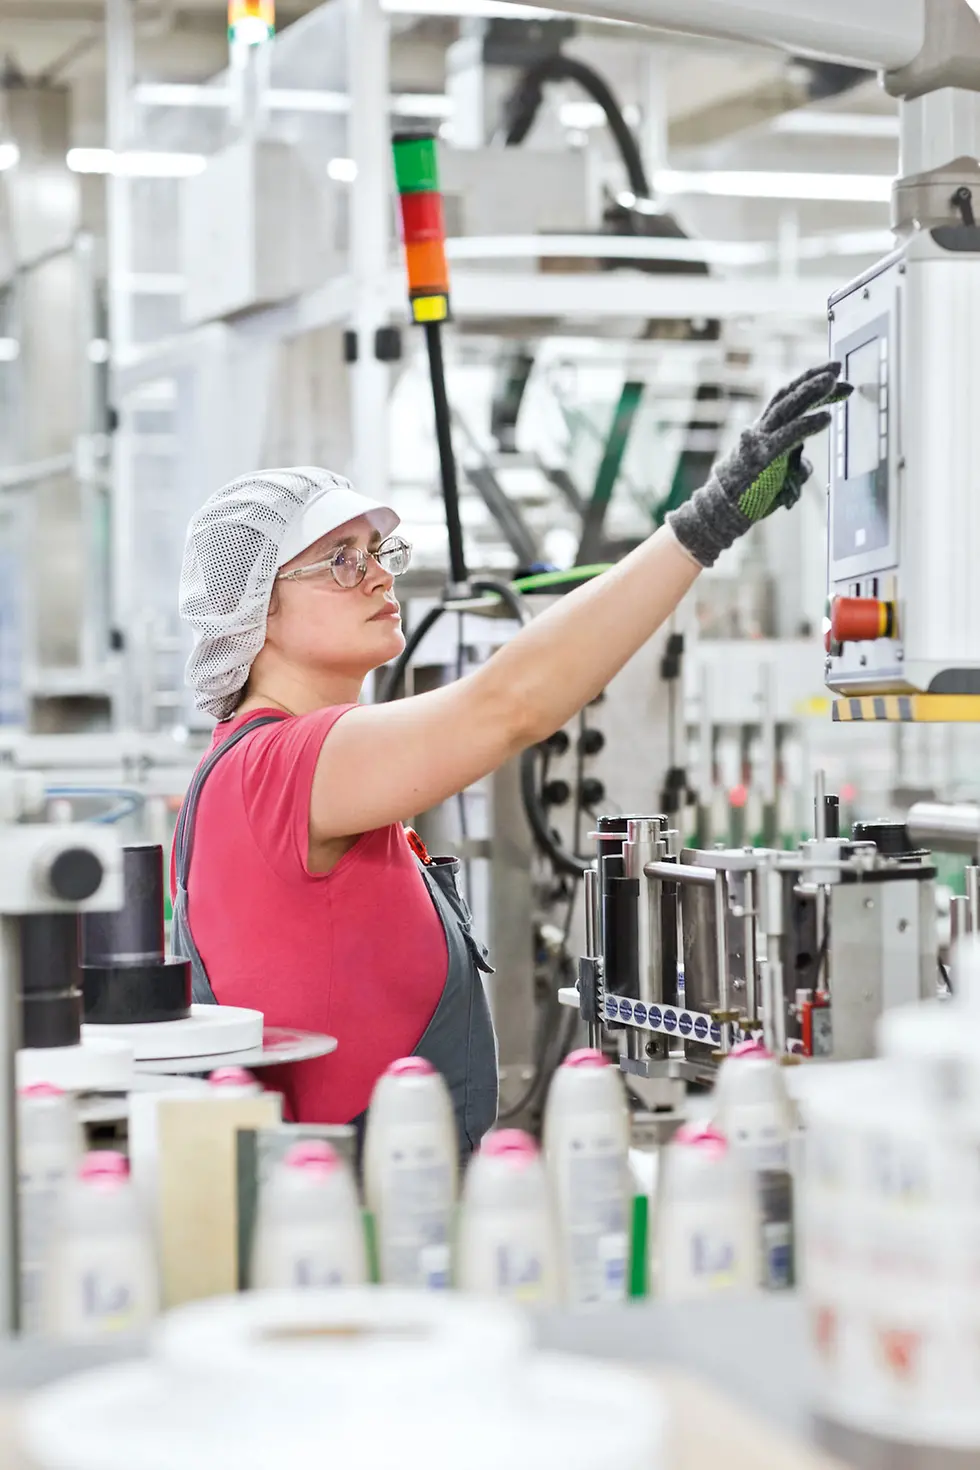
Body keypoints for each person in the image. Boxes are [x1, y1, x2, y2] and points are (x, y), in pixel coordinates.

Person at [172, 360, 849, 1157]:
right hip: (349, 1200)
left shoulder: (306, 768)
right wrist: (704, 525)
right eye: (342, 561)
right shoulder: (275, 768)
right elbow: (509, 705)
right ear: (258, 608)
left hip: (397, 1187)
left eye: (379, 550)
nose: (380, 575)